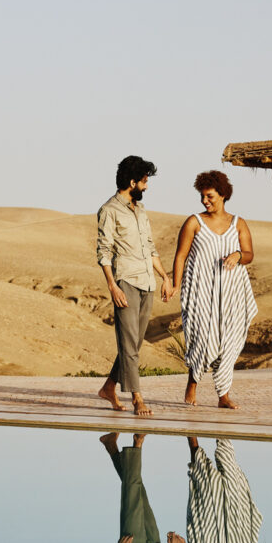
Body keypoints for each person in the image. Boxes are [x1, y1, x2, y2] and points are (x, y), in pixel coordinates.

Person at [171, 170, 258, 408]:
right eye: (202, 196)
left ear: (223, 194)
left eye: (209, 196)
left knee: (228, 341)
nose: (204, 201)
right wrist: (175, 285)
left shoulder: (238, 223)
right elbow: (181, 256)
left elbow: (249, 254)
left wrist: (239, 255)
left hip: (231, 294)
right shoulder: (194, 222)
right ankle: (193, 382)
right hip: (200, 292)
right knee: (200, 338)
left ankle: (223, 395)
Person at [96, 155, 173, 417]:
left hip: (147, 282)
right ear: (132, 182)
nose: (147, 187)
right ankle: (137, 398)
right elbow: (104, 251)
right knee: (129, 345)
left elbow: (150, 248)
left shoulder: (140, 211)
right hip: (126, 281)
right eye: (144, 181)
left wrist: (165, 276)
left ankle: (109, 387)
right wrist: (112, 286)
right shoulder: (109, 211)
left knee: (134, 344)